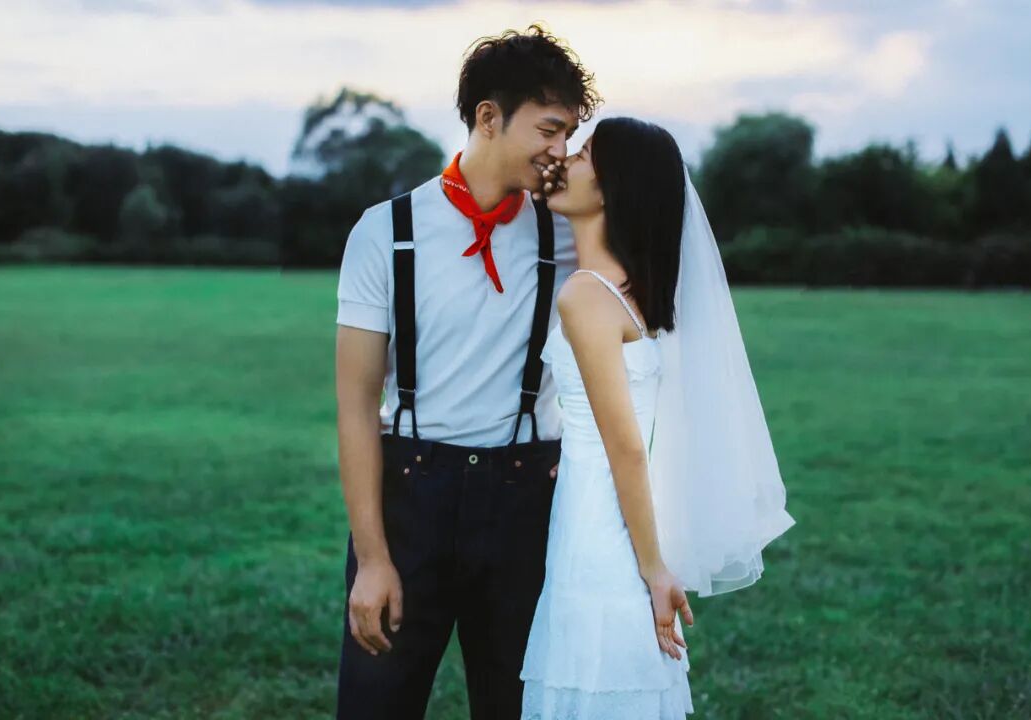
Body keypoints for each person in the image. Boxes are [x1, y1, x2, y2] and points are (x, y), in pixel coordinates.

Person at [333, 25, 603, 720]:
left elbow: (636, 327)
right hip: (410, 498)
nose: (559, 151)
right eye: (549, 129)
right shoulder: (385, 231)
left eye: (569, 135)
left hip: (526, 503)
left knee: (519, 708)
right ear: (488, 117)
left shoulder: (568, 234)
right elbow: (356, 405)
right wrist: (373, 559)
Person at [518, 118, 797, 719]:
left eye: (584, 155)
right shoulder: (635, 295)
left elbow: (626, 447)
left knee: (595, 680)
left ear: (612, 189)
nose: (565, 161)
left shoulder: (585, 296)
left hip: (602, 527)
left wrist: (653, 570)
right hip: (622, 506)